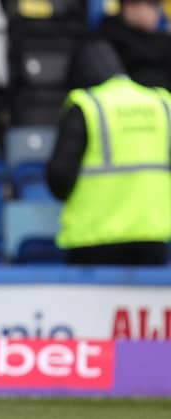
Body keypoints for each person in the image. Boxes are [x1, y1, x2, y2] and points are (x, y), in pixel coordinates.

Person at [46, 40, 171, 265]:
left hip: (93, 240)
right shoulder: (162, 103)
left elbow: (59, 179)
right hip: (153, 236)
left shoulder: (86, 105)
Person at [94, 0, 171, 90]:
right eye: (152, 4)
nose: (157, 12)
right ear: (129, 6)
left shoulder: (164, 40)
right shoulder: (108, 37)